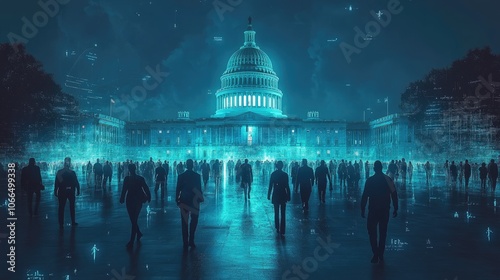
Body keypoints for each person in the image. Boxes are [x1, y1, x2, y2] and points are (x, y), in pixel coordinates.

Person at [361, 160, 398, 264]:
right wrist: (396, 207)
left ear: (374, 168)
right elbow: (394, 194)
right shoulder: (388, 179)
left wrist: (362, 208)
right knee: (383, 232)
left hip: (373, 210)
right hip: (384, 209)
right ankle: (380, 253)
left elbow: (365, 195)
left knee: (372, 232)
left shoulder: (370, 180)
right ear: (382, 168)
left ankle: (375, 253)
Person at [120, 164, 151, 249]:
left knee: (133, 220)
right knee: (134, 219)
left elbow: (124, 189)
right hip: (138, 200)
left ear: (129, 169)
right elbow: (146, 188)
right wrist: (149, 196)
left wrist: (122, 198)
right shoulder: (140, 179)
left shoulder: (127, 179)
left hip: (130, 200)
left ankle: (132, 241)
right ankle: (138, 233)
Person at [176, 159, 204, 250]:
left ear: (186, 165)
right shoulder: (197, 176)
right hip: (194, 201)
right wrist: (200, 198)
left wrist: (177, 199)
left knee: (184, 221)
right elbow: (199, 189)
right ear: (193, 165)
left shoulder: (181, 176)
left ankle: (185, 241)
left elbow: (178, 189)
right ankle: (191, 239)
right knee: (194, 220)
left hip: (184, 200)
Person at [54, 157, 80, 228]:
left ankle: (61, 222)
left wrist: (55, 191)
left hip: (62, 191)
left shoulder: (60, 172)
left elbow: (57, 183)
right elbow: (76, 182)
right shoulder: (72, 173)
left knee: (61, 207)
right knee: (72, 207)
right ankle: (73, 221)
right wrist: (78, 190)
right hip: (71, 191)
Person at [268, 161, 291, 237]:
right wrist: (289, 195)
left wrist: (269, 194)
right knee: (283, 213)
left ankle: (277, 227)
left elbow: (270, 185)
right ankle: (283, 229)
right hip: (283, 194)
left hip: (276, 194)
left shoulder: (273, 174)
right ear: (282, 166)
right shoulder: (285, 175)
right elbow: (287, 186)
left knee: (276, 212)